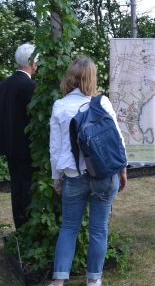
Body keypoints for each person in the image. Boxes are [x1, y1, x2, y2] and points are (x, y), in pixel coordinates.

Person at [48, 56, 127, 286]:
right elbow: (117, 141)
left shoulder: (60, 106)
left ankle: (58, 282)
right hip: (103, 175)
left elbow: (55, 148)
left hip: (73, 176)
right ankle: (94, 281)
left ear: (70, 77)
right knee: (99, 230)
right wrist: (122, 171)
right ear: (91, 78)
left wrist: (56, 177)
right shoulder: (101, 103)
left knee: (69, 228)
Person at [0, 43, 38, 229]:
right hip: (27, 148)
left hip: (9, 146)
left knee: (16, 188)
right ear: (31, 62)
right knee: (28, 188)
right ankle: (28, 228)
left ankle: (19, 226)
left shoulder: (4, 85)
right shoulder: (31, 87)